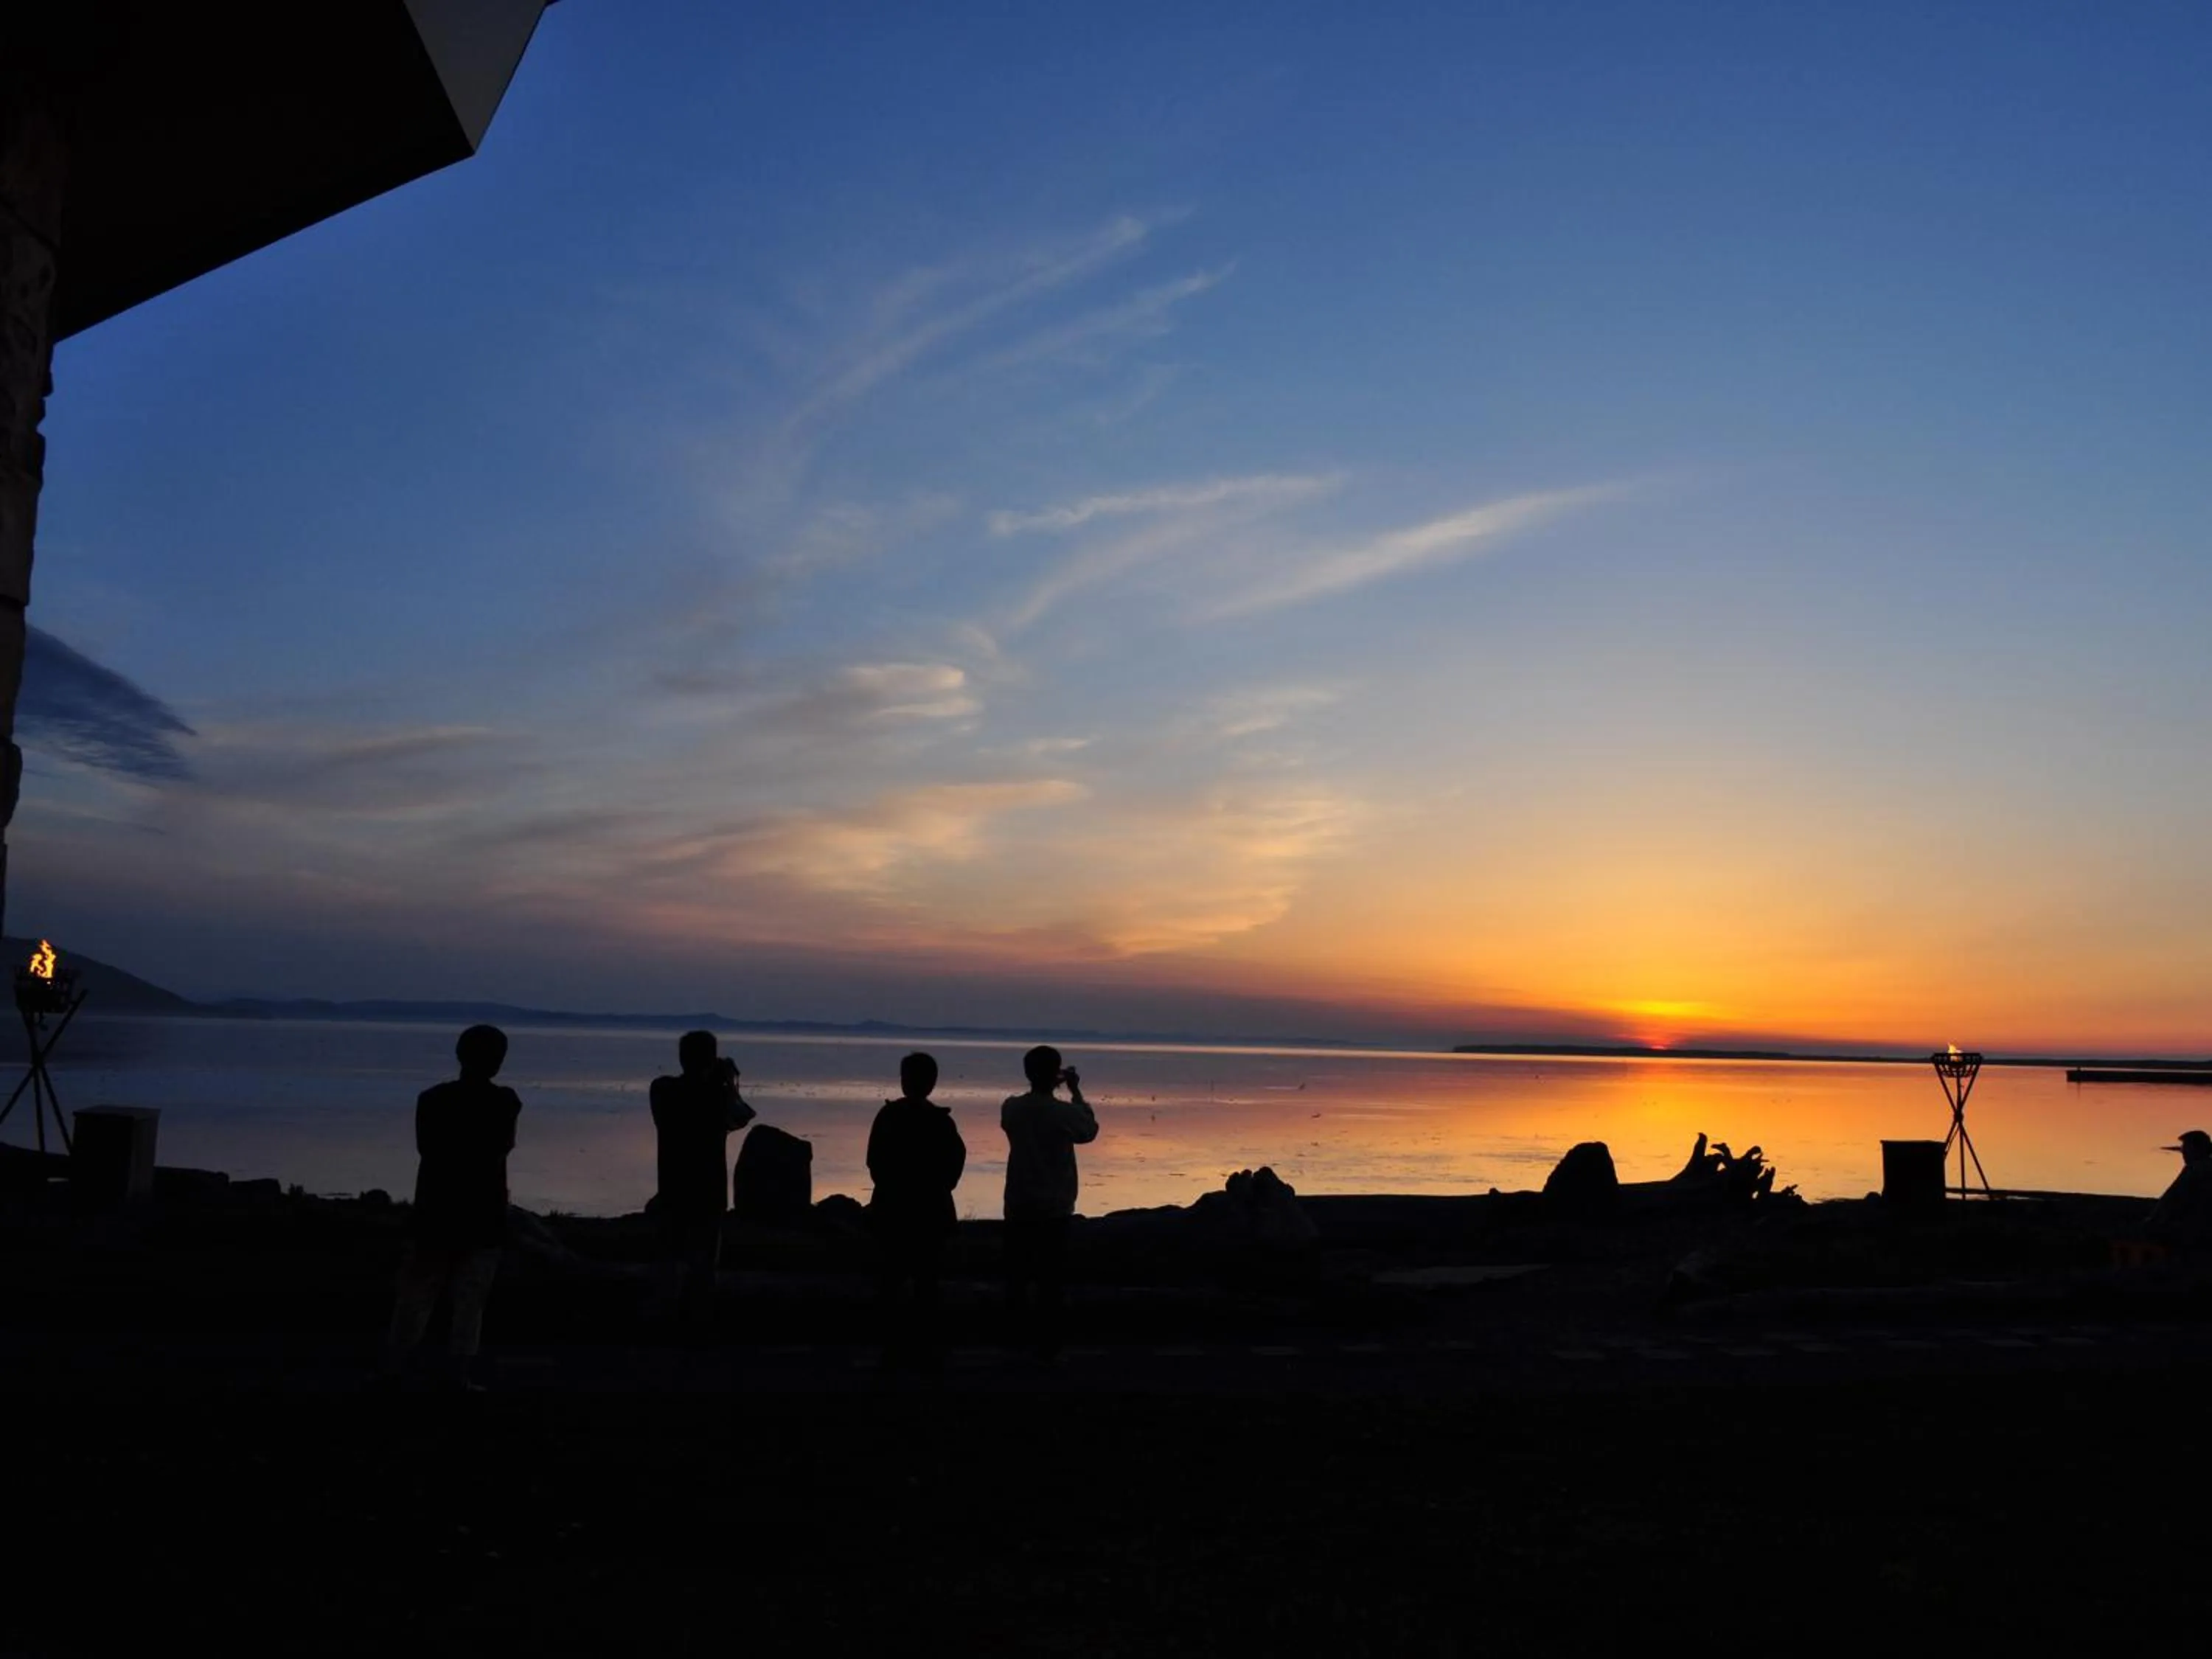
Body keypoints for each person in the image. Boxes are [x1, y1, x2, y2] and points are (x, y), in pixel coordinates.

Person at [381, 1024, 522, 1391]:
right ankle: (456, 1375)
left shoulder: (431, 1099)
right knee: (469, 1296)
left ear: (460, 1054)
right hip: (481, 1211)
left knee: (418, 1293)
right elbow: (502, 1148)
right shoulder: (505, 1102)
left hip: (436, 1208)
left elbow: (427, 1149)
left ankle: (397, 1369)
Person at [650, 1030, 756, 1337]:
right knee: (704, 1267)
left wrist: (717, 1081)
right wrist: (727, 1084)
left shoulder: (663, 1090)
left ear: (681, 1058)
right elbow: (741, 1116)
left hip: (672, 1189)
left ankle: (665, 1328)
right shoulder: (715, 1097)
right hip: (708, 1193)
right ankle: (698, 1328)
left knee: (670, 1264)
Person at [866, 1051, 966, 1371]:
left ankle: (892, 1348)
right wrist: (938, 1188)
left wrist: (892, 1186)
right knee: (927, 1283)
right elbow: (955, 1165)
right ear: (932, 1083)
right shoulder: (942, 1122)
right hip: (931, 1213)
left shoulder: (888, 1117)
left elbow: (874, 1162)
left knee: (892, 1281)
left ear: (903, 1081)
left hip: (892, 1210)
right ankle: (924, 1347)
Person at [1000, 1043, 1098, 1359]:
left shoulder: (1011, 1108)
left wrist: (1052, 1083)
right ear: (1056, 1073)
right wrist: (1075, 1090)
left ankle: (1015, 1342)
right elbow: (1088, 1130)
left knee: (1017, 1278)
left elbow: (1018, 1114)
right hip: (1054, 1209)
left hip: (1018, 1204)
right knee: (1051, 1281)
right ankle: (1048, 1347)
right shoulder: (1063, 1113)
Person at [2143, 1128, 2212, 1248]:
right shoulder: (2202, 1167)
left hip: (2193, 1232)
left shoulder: (2196, 1169)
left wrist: (2153, 1220)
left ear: (2197, 1149)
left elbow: (2172, 1198)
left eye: (2186, 1149)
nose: (2183, 1153)